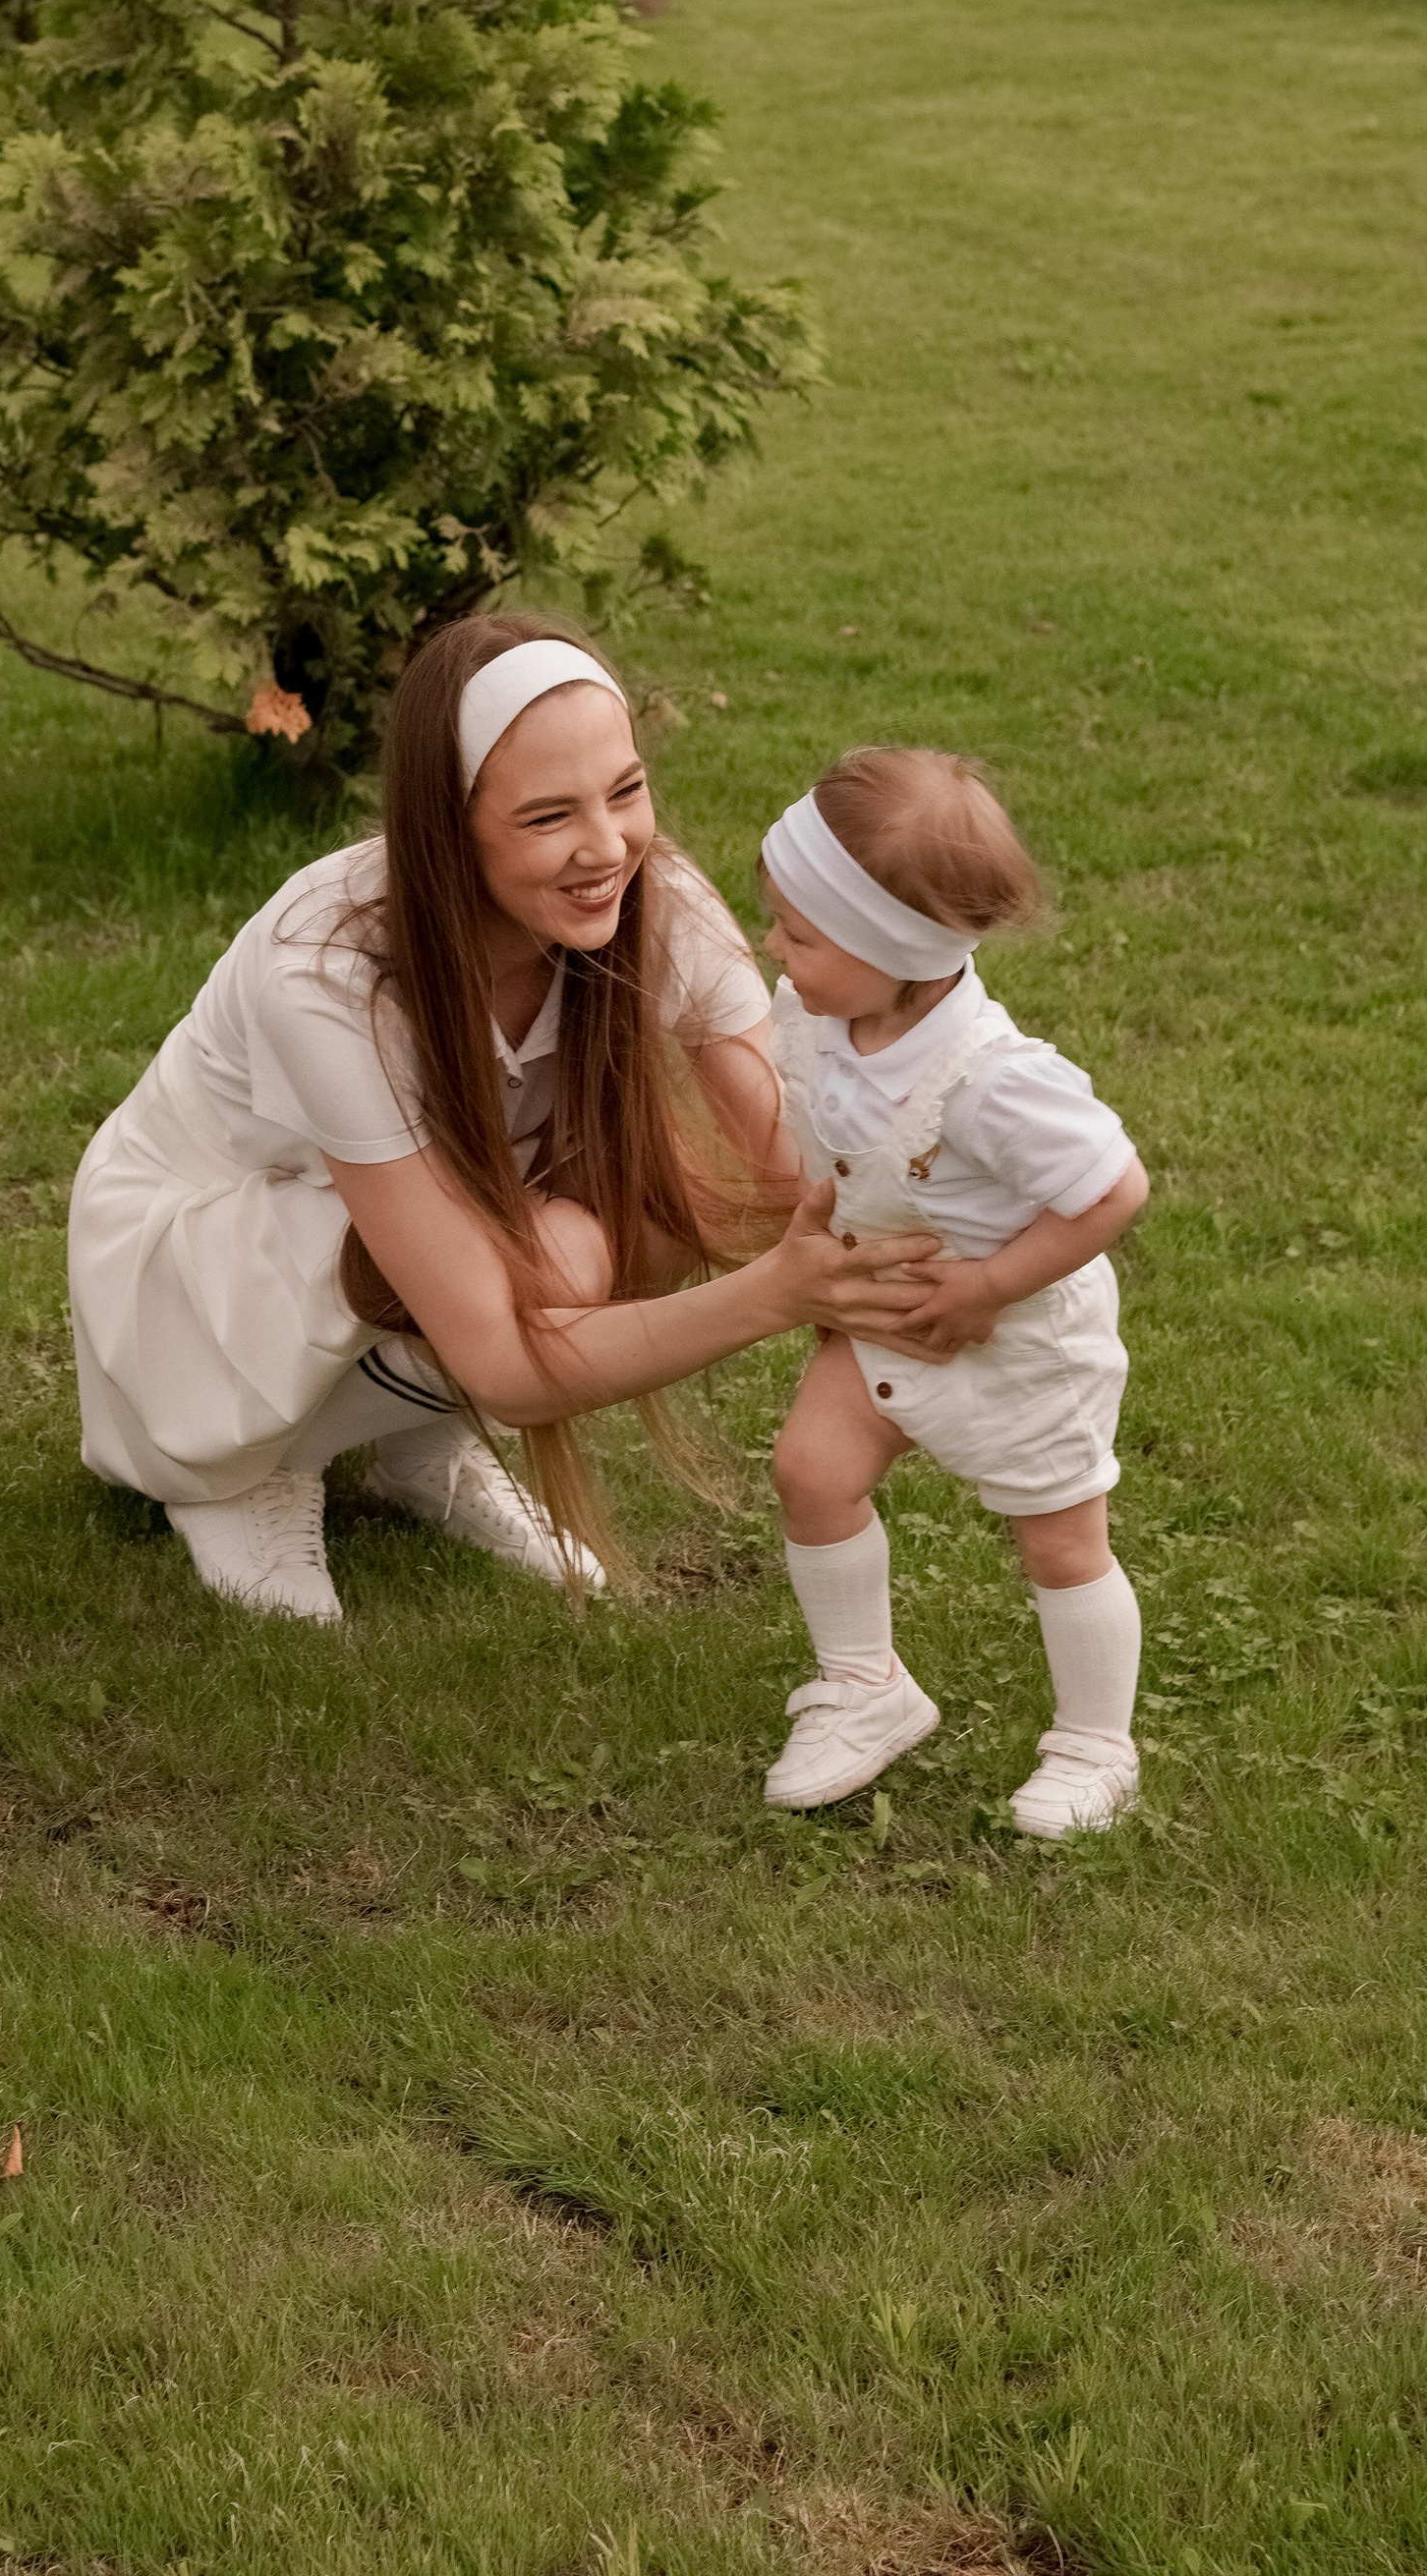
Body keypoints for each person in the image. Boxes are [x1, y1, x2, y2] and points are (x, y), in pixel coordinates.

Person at [69, 616, 948, 1624]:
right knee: (563, 1256)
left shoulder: (655, 899)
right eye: (546, 818)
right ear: (449, 825)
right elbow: (504, 1361)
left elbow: (796, 1167)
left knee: (662, 1208)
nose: (605, 848)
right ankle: (241, 1469)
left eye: (624, 792)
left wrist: (980, 1222)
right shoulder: (327, 971)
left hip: (392, 1230)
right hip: (197, 1272)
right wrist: (778, 1293)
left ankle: (409, 1443)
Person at [755, 749, 1150, 1837]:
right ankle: (863, 1687)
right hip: (891, 1308)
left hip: (1016, 1333)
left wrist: (990, 1285)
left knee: (1061, 1542)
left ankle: (1094, 1745)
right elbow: (833, 1140)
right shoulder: (831, 1014)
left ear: (892, 951)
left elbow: (1112, 1190)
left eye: (798, 932)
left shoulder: (993, 1080)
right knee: (809, 1469)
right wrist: (817, 1224)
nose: (774, 949)